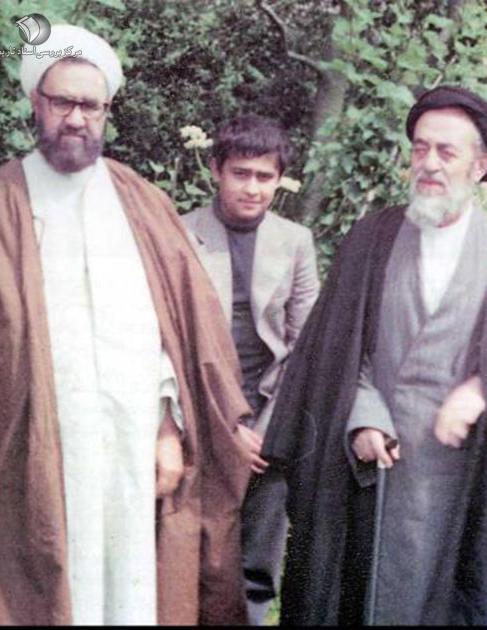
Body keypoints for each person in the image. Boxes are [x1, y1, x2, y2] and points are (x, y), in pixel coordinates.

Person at [261, 85, 487, 625]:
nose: (430, 164)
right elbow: (339, 352)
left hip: (471, 480)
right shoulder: (372, 239)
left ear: (479, 165)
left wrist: (485, 387)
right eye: (420, 148)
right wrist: (362, 416)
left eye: (447, 151)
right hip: (376, 475)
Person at [0, 24, 252, 625]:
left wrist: (169, 426)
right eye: (62, 102)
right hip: (32, 447)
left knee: (134, 587)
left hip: (131, 443)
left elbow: (176, 329)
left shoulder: (140, 202)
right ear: (35, 103)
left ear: (107, 111)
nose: (76, 118)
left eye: (90, 106)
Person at [181, 114, 319, 625]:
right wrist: (225, 426)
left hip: (269, 411)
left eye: (265, 177)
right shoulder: (180, 233)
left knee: (258, 553)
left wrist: (267, 427)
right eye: (241, 174)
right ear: (216, 169)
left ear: (279, 179)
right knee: (194, 545)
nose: (253, 188)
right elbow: (173, 340)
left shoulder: (295, 241)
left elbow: (305, 345)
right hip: (199, 406)